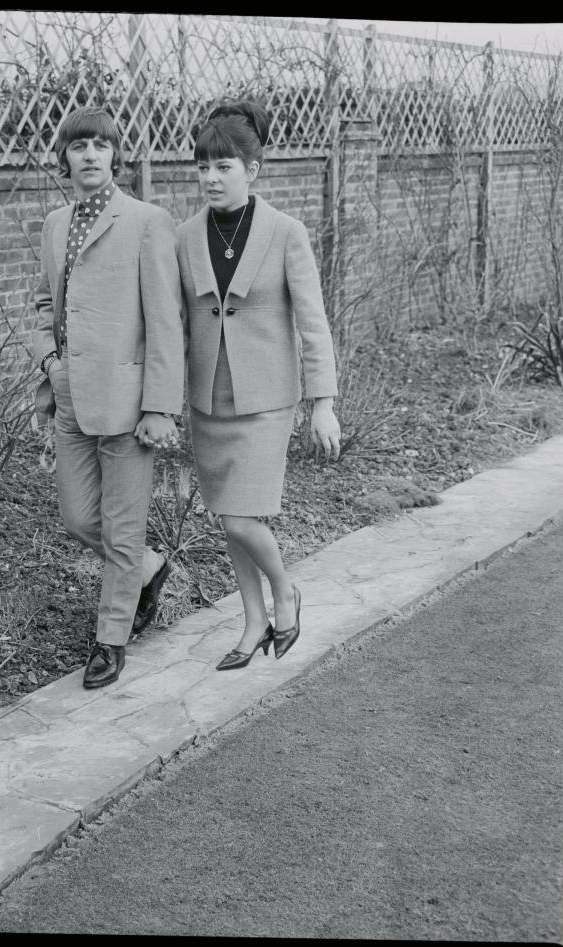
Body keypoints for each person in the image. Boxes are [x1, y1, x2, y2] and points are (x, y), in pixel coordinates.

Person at [176, 100, 341, 671]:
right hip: (207, 400)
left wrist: (324, 403)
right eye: (203, 166)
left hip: (268, 400)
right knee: (230, 518)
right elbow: (175, 321)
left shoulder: (286, 233)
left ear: (254, 168)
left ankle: (285, 593)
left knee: (241, 516)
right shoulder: (184, 236)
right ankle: (252, 622)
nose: (211, 178)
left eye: (224, 165)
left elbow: (313, 321)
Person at [32, 106, 185, 689]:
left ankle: (111, 638)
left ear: (114, 155)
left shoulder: (147, 221)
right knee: (77, 518)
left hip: (129, 401)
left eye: (100, 145)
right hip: (70, 394)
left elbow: (165, 322)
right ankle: (149, 568)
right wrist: (50, 361)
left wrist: (159, 407)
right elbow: (43, 304)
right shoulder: (53, 223)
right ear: (64, 158)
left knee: (122, 528)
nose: (90, 156)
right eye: (79, 147)